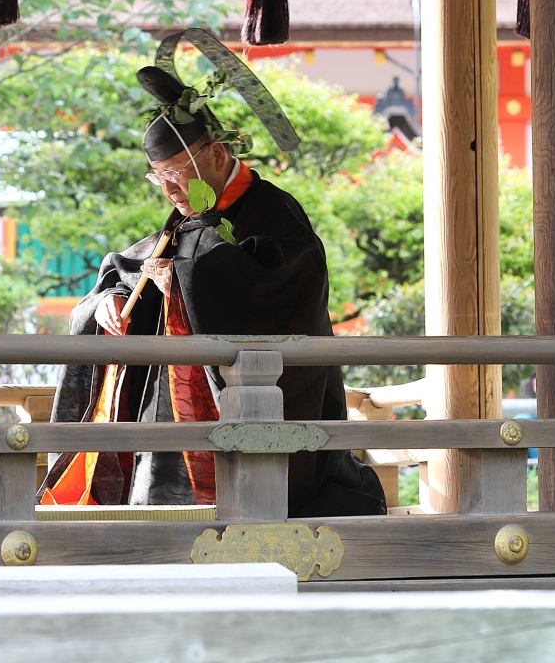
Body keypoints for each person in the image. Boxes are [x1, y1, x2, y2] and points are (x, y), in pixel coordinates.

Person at [42, 30, 385, 517]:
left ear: (218, 155)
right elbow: (130, 267)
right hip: (166, 418)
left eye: (178, 174)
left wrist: (181, 281)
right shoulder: (188, 218)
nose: (171, 191)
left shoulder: (273, 212)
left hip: (250, 411)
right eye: (160, 179)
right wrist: (112, 302)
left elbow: (273, 293)